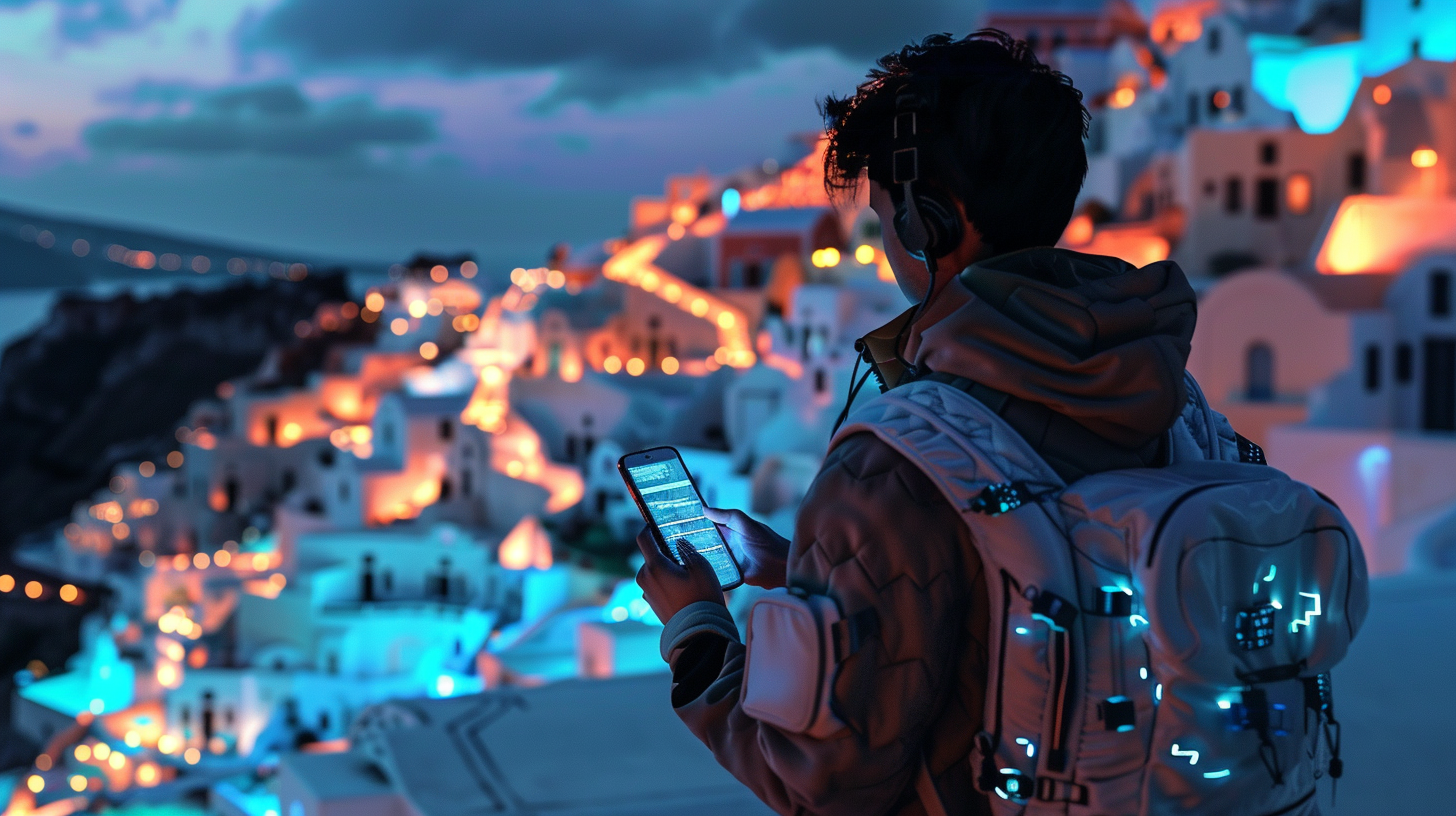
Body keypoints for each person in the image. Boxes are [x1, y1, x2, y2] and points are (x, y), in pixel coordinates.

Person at [635, 30, 1205, 816]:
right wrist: (803, 565)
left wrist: (696, 625)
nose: (884, 249)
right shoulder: (1172, 397)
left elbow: (818, 785)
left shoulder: (898, 461)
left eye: (883, 221)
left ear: (930, 222)